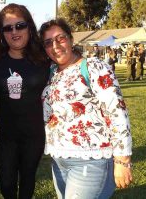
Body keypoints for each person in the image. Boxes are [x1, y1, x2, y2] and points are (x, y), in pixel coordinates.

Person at [39, 18, 133, 199]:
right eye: (48, 42)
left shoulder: (93, 67)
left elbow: (117, 112)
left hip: (91, 160)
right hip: (59, 160)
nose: (56, 46)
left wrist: (123, 160)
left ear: (71, 40)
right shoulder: (52, 73)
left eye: (60, 38)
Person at [0, 3, 49, 199]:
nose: (14, 31)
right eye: (8, 28)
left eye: (19, 25)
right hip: (7, 135)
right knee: (6, 184)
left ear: (29, 26)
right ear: (1, 33)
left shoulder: (44, 58)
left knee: (28, 180)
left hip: (34, 134)